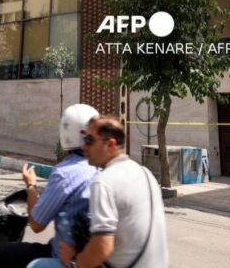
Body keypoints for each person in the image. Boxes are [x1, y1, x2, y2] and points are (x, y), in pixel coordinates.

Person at [31, 115, 169, 268]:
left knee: (37, 265)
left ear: (110, 144)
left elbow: (102, 247)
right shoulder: (145, 173)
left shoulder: (104, 182)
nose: (84, 147)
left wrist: (74, 261)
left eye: (89, 140)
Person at [0, 104, 99, 268]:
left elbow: (37, 224)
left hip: (65, 257)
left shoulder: (65, 172)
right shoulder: (104, 167)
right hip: (94, 257)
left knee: (0, 254)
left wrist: (31, 185)